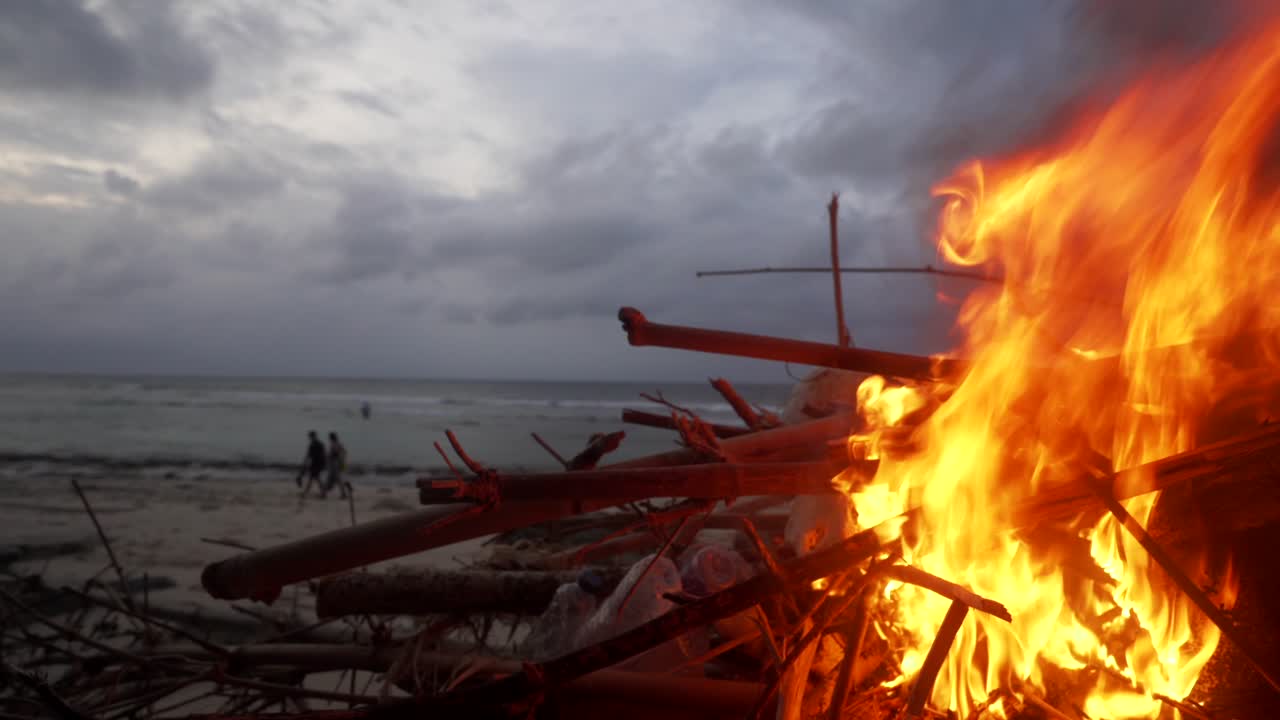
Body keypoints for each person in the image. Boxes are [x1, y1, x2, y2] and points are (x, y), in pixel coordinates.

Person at [297, 430, 327, 497]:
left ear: (312, 437)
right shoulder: (320, 444)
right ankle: (322, 493)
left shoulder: (313, 445)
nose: (310, 438)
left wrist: (304, 464)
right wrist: (324, 464)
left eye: (310, 437)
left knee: (314, 479)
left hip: (316, 464)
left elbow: (308, 456)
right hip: (318, 464)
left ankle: (322, 493)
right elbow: (324, 455)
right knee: (315, 479)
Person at [324, 432, 349, 499]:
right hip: (337, 464)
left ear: (332, 438)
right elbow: (344, 452)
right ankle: (324, 493)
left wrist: (328, 457)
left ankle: (324, 493)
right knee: (336, 480)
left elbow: (334, 454)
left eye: (330, 437)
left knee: (333, 480)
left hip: (334, 465)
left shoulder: (334, 445)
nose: (329, 439)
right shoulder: (339, 444)